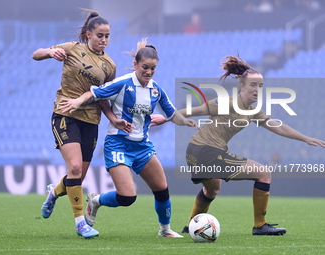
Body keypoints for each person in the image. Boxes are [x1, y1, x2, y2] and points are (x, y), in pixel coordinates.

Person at [150, 55, 325, 236]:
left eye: (260, 86)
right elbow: (197, 110)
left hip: (195, 152)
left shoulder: (251, 111)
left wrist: (305, 138)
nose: (257, 90)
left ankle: (190, 227)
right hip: (206, 151)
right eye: (252, 85)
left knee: (212, 188)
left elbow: (277, 126)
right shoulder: (228, 102)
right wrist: (166, 117)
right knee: (264, 173)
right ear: (242, 86)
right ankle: (260, 225)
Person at [59, 38, 198, 238]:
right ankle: (96, 201)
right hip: (118, 144)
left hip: (142, 146)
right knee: (127, 197)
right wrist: (77, 101)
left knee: (162, 188)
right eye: (145, 68)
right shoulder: (123, 83)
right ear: (135, 65)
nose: (149, 72)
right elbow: (95, 93)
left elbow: (171, 113)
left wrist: (186, 122)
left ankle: (165, 230)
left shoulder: (156, 90)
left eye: (153, 68)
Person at [32, 10, 132, 238]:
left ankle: (53, 193)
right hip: (65, 115)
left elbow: (103, 97)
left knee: (77, 176)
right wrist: (49, 51)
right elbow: (35, 55)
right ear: (88, 34)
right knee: (75, 168)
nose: (104, 40)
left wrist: (113, 119)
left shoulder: (109, 65)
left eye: (107, 36)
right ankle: (80, 223)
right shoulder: (72, 48)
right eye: (100, 35)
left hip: (91, 121)